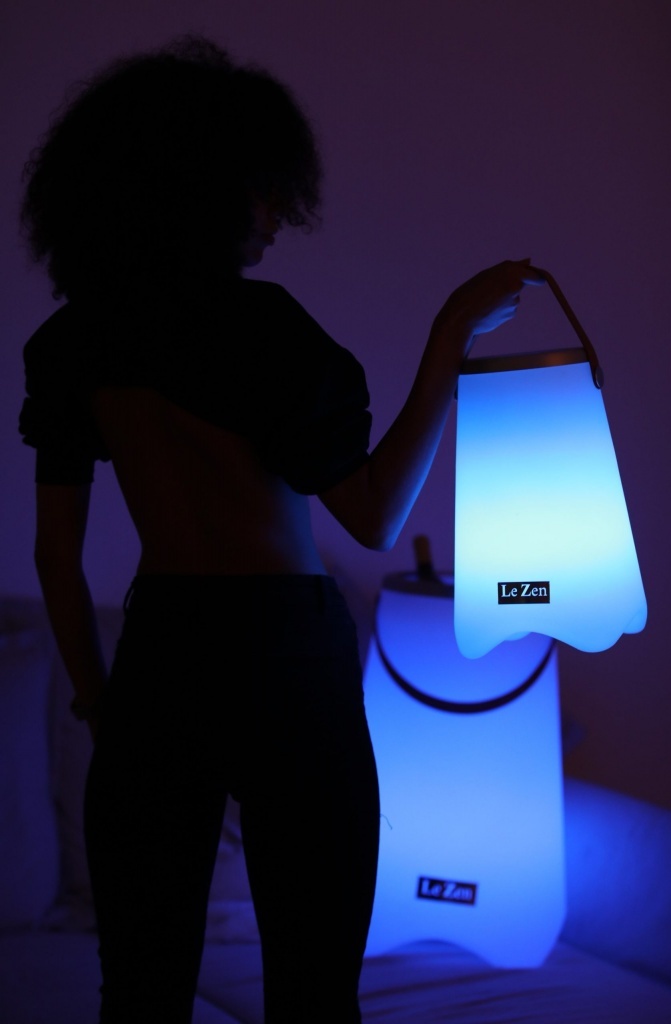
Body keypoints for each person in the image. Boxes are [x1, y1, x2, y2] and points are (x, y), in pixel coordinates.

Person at [18, 36, 544, 1024]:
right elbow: (375, 515)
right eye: (261, 190)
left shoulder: (71, 342)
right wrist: (449, 336)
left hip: (161, 648)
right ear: (206, 194)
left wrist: (97, 699)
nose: (273, 215)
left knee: (140, 991)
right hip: (286, 654)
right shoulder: (264, 331)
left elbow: (57, 556)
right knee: (313, 990)